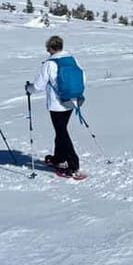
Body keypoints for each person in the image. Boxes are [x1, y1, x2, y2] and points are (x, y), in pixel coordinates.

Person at [25, 35, 85, 179]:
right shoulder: (71, 59)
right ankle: (59, 158)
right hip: (72, 102)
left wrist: (29, 88)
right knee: (61, 130)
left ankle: (73, 164)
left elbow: (38, 86)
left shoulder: (49, 64)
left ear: (50, 48)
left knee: (62, 132)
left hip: (57, 104)